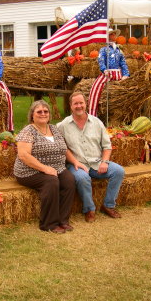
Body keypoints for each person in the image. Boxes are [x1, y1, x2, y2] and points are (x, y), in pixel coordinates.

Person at [57, 92, 124, 223]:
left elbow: (107, 146)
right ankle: (89, 209)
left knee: (118, 171)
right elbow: (62, 148)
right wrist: (75, 162)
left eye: (81, 103)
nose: (79, 106)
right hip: (76, 164)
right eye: (75, 103)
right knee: (82, 178)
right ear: (70, 106)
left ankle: (108, 205)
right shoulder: (62, 126)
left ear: (86, 104)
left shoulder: (97, 122)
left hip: (97, 162)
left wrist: (104, 162)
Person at [14, 100, 76, 234]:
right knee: (51, 181)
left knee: (69, 180)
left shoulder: (54, 129)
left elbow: (64, 149)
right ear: (32, 115)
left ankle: (63, 220)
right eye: (39, 112)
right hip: (29, 171)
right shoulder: (28, 131)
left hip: (56, 168)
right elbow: (23, 155)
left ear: (49, 115)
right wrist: (45, 168)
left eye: (46, 111)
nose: (43, 114)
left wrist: (76, 162)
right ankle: (49, 223)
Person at [88, 28, 129, 117]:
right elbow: (101, 60)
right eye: (111, 34)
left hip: (118, 74)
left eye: (114, 34)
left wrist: (126, 74)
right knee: (95, 87)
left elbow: (123, 62)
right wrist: (104, 69)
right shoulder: (103, 49)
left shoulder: (118, 50)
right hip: (107, 74)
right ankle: (92, 114)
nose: (113, 35)